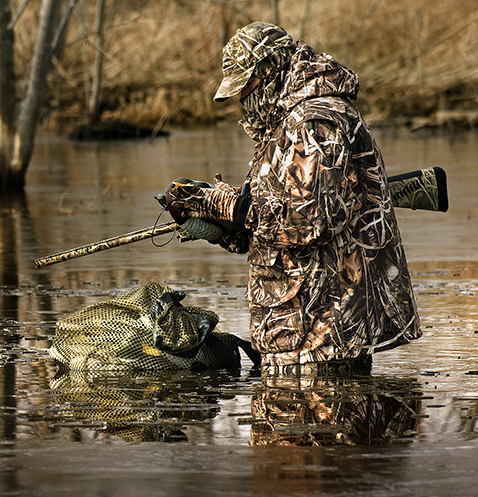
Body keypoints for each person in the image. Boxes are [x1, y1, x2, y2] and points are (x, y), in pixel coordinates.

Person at [163, 21, 421, 376]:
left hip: (321, 336)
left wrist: (225, 206)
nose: (242, 99)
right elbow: (271, 225)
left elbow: (308, 222)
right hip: (298, 332)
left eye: (246, 86)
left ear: (269, 71)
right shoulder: (287, 123)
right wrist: (213, 223)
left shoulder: (314, 123)